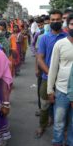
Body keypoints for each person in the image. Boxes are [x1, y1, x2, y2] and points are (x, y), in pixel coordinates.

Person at [36, 9, 67, 138]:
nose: (55, 22)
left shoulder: (67, 38)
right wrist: (51, 74)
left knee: (63, 105)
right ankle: (42, 125)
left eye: (57, 20)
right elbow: (40, 58)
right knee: (44, 103)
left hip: (64, 80)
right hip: (46, 77)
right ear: (49, 21)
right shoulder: (44, 38)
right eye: (52, 20)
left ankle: (63, 129)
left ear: (62, 20)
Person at [47, 13, 73, 146]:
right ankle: (57, 142)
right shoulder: (60, 44)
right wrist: (50, 90)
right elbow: (53, 68)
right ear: (67, 26)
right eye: (72, 24)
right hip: (62, 91)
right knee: (59, 122)